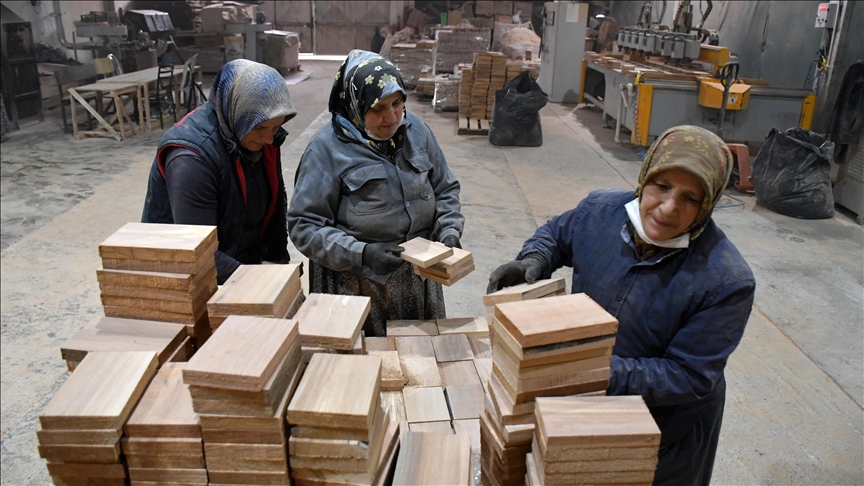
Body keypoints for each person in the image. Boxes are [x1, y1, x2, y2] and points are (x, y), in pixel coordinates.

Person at [487, 126, 755, 485]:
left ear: (708, 205)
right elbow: (556, 235)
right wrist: (533, 260)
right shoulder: (600, 211)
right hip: (585, 399)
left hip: (662, 432)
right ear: (644, 179)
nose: (669, 207)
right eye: (661, 187)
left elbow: (687, 376)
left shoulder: (725, 280)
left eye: (690, 198)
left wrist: (588, 369)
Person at [288, 50, 463, 337]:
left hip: (417, 280)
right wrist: (363, 253)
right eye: (378, 108)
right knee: (365, 370)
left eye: (397, 103)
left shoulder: (416, 131)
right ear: (357, 107)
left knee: (421, 367)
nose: (391, 117)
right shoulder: (325, 151)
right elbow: (304, 227)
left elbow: (445, 188)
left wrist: (449, 231)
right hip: (358, 285)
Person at [142, 60, 296, 284]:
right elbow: (198, 254)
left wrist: (277, 263)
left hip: (233, 265)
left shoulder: (260, 140)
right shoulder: (192, 160)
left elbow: (274, 209)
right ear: (236, 110)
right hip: (188, 278)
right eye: (261, 128)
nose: (269, 138)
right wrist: (259, 283)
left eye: (275, 127)